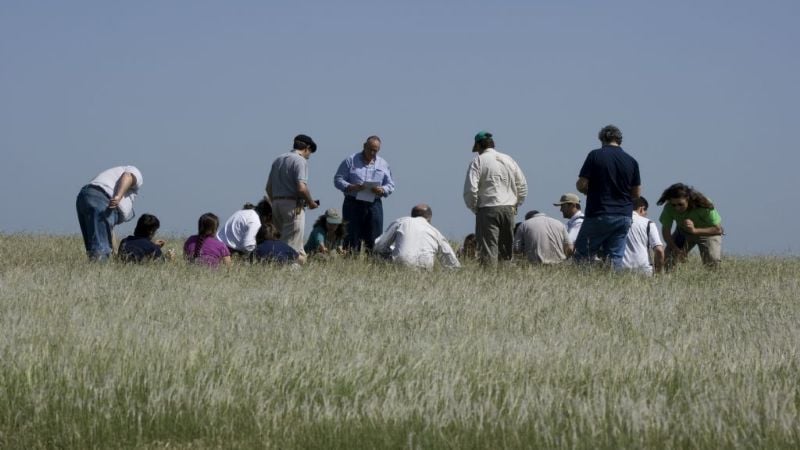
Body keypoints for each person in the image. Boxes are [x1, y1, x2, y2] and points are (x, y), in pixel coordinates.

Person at [573, 125, 641, 269]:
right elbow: (636, 194)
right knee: (615, 257)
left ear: (602, 138)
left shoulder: (595, 155)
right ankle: (613, 281)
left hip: (599, 212)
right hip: (624, 215)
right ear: (619, 140)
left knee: (583, 254)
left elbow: (581, 184)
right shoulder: (632, 161)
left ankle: (581, 280)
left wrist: (586, 190)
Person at [463, 131, 528, 266]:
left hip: (487, 208)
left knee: (488, 249)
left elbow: (471, 189)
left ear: (478, 146)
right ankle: (505, 276)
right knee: (506, 249)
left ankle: (490, 277)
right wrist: (516, 204)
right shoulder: (508, 159)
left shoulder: (478, 161)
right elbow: (522, 185)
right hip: (508, 208)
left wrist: (474, 207)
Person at [334, 136, 395, 253]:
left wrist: (382, 190)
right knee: (351, 236)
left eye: (375, 150)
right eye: (370, 149)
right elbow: (338, 179)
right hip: (353, 203)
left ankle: (372, 261)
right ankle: (350, 260)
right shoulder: (350, 160)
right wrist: (351, 186)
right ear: (364, 146)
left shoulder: (383, 164)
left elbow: (390, 184)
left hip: (374, 204)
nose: (372, 153)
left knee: (375, 237)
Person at [266, 134, 320, 256]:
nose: (309, 155)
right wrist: (311, 202)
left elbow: (268, 188)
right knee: (292, 247)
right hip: (293, 206)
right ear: (307, 148)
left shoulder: (278, 160)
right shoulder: (300, 161)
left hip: (276, 204)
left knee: (281, 241)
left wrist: (276, 202)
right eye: (310, 152)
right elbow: (301, 188)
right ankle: (289, 267)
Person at [76, 165, 143, 260]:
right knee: (100, 249)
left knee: (93, 246)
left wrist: (115, 255)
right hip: (102, 199)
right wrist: (118, 196)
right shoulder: (134, 171)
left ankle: (96, 264)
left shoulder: (110, 175)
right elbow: (128, 176)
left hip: (84, 198)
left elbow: (108, 229)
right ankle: (100, 267)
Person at [656, 183, 723, 269]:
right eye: (674, 205)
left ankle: (712, 276)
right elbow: (666, 232)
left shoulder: (704, 204)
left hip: (708, 233)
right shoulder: (669, 208)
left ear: (688, 199)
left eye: (680, 204)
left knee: (712, 261)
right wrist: (676, 250)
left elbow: (718, 229)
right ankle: (669, 276)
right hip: (683, 232)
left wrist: (694, 230)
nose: (677, 208)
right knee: (669, 257)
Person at [373, 204, 460, 270]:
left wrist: (390, 254)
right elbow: (452, 262)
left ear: (412, 215)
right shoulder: (435, 232)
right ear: (430, 218)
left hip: (401, 266)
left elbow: (379, 246)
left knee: (383, 252)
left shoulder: (402, 222)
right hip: (425, 268)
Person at [621, 197, 665, 275]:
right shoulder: (648, 223)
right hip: (644, 271)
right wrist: (659, 272)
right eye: (645, 210)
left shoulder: (617, 222)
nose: (646, 214)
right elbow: (659, 250)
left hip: (620, 270)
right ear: (641, 209)